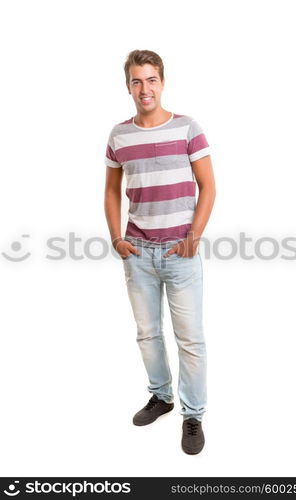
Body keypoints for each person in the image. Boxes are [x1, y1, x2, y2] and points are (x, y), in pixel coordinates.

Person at [104, 49, 216, 455]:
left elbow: (209, 186)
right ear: (128, 86)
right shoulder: (119, 135)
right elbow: (112, 191)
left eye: (151, 79)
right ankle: (161, 397)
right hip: (138, 252)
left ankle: (193, 415)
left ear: (162, 82)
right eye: (137, 80)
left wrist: (194, 236)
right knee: (148, 334)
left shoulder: (188, 128)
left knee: (190, 339)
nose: (144, 88)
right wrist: (117, 238)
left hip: (181, 253)